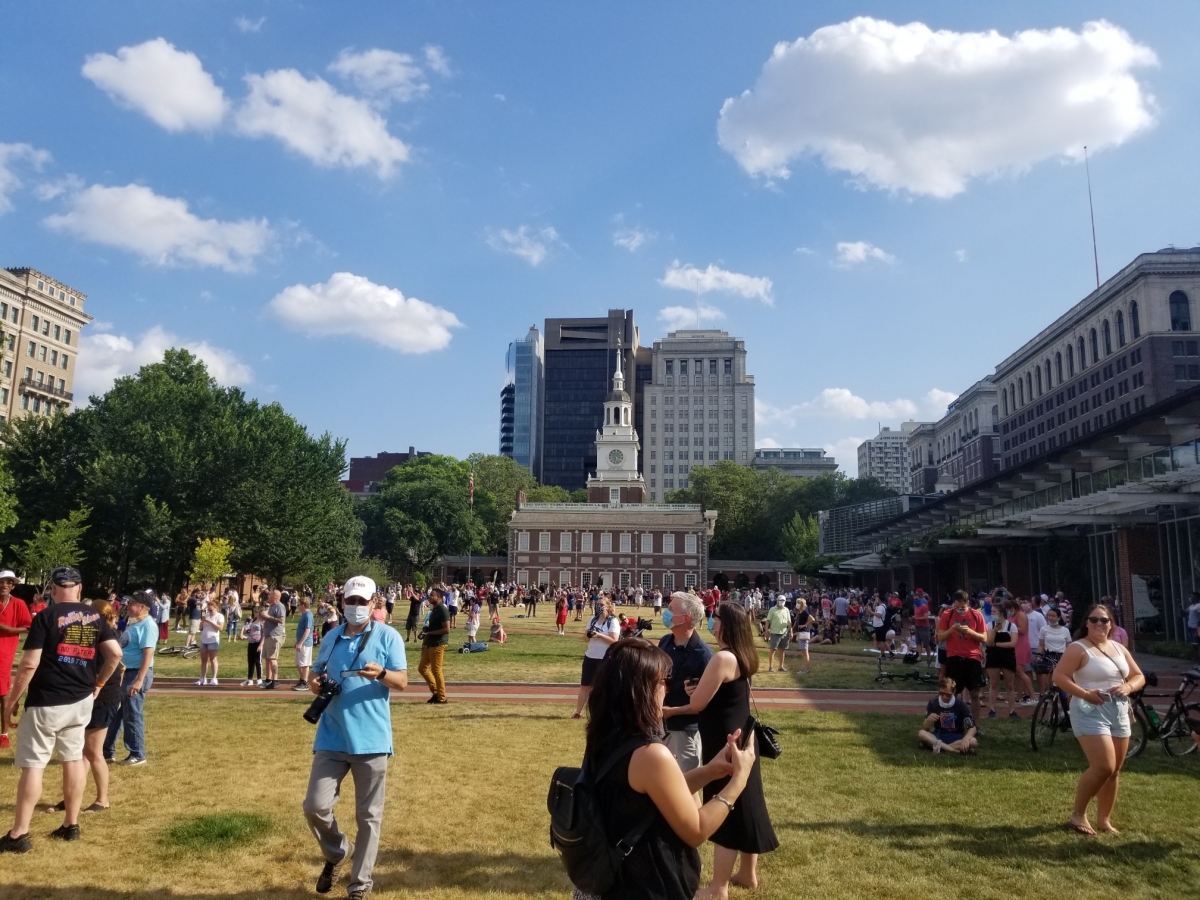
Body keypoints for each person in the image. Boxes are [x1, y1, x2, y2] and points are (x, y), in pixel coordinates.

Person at [581, 637, 757, 900]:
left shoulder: (606, 737)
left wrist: (711, 770)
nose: (667, 688)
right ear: (641, 689)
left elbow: (650, 795)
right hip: (645, 886)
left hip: (612, 881)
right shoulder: (651, 755)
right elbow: (696, 830)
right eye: (665, 681)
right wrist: (739, 781)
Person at [1, 567, 121, 853]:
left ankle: (19, 833)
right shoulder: (95, 616)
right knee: (73, 759)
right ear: (79, 588)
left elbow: (29, 664)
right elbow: (115, 653)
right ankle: (70, 824)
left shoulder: (45, 616)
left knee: (33, 765)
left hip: (46, 700)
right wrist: (99, 683)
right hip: (80, 701)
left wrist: (12, 700)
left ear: (53, 589)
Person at [663, 602, 777, 899]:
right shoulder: (744, 654)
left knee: (723, 805)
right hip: (743, 735)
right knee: (747, 800)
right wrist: (698, 691)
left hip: (723, 739)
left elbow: (697, 705)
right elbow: (720, 693)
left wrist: (668, 711)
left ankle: (718, 887)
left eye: (714, 618)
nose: (711, 622)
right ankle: (747, 873)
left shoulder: (722, 657)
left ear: (724, 624)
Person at [303, 575, 407, 900]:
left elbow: (402, 681)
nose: (357, 607)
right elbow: (314, 675)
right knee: (314, 807)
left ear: (374, 603)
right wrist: (315, 684)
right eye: (352, 601)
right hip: (332, 736)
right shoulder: (332, 637)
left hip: (372, 739)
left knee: (369, 817)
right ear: (342, 603)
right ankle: (337, 851)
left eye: (363, 602)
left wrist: (382, 674)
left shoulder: (389, 637)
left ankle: (359, 886)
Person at [1053, 603, 1146, 836]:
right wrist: (1085, 694)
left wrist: (1128, 686)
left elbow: (1138, 676)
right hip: (1089, 710)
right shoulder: (1078, 648)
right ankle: (1077, 815)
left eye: (1104, 620)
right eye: (1094, 619)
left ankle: (1104, 819)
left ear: (1111, 624)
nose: (1099, 624)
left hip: (1119, 710)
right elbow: (1059, 676)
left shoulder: (1118, 648)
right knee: (1103, 766)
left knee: (1114, 770)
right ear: (1086, 623)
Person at [657, 592, 714, 775]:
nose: (666, 612)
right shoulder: (665, 641)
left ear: (686, 618)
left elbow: (707, 703)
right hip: (659, 726)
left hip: (685, 731)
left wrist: (672, 712)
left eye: (671, 609)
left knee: (687, 784)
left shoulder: (704, 655)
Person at [74, 599, 123, 812]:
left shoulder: (108, 637)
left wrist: (98, 683)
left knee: (93, 752)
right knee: (82, 752)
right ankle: (72, 797)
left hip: (103, 699)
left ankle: (103, 800)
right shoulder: (98, 635)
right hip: (92, 697)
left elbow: (112, 661)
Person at [104, 589, 157, 765]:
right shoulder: (135, 623)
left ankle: (137, 753)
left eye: (132, 603)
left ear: (142, 607)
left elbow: (148, 654)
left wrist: (139, 680)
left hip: (136, 673)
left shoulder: (148, 625)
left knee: (132, 714)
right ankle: (106, 751)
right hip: (127, 671)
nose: (128, 605)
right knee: (119, 714)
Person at [937, 590, 988, 728]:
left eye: (962, 607)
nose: (960, 609)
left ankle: (977, 725)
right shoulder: (948, 615)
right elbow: (940, 636)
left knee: (975, 692)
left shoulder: (976, 614)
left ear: (967, 603)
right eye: (957, 606)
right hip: (954, 656)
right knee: (952, 692)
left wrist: (970, 632)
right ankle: (951, 723)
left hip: (972, 657)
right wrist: (952, 630)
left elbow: (984, 638)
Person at [572, 596, 620, 719]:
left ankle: (605, 713)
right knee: (585, 686)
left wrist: (599, 635)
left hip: (605, 658)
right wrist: (588, 635)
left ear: (608, 607)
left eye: (601, 604)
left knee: (604, 687)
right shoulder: (592, 620)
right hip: (590, 656)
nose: (598, 606)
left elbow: (615, 641)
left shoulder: (612, 621)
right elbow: (584, 639)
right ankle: (578, 712)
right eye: (597, 604)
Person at [0, 570, 33, 750]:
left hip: (5, 653)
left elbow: (28, 626)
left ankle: (4, 733)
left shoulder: (18, 603)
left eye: (9, 582)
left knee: (3, 693)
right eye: (2, 581)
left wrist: (5, 629)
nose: (5, 585)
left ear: (13, 586)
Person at [918, 677, 978, 754]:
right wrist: (928, 721)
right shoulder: (933, 703)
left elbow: (972, 728)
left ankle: (936, 747)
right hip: (938, 735)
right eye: (941, 693)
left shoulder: (961, 705)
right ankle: (953, 750)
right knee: (921, 733)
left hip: (956, 736)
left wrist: (966, 738)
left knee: (973, 741)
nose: (944, 697)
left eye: (948, 695)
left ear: (954, 692)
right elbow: (926, 728)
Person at [985, 603, 1020, 719]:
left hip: (1007, 656)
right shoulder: (990, 625)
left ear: (1001, 613)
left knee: (1009, 685)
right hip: (993, 656)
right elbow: (988, 643)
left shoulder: (1012, 626)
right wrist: (994, 631)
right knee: (993, 684)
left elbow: (1012, 644)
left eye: (994, 612)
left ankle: (1012, 710)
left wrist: (996, 644)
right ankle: (992, 709)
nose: (992, 614)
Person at [418, 587, 450, 704]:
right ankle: (435, 692)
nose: (429, 597)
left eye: (432, 595)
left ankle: (442, 698)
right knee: (422, 668)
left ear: (439, 597)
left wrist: (430, 633)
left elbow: (446, 629)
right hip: (430, 642)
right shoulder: (434, 610)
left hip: (438, 643)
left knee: (436, 670)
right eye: (429, 595)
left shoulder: (443, 610)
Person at [260, 589, 287, 690]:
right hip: (268, 635)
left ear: (275, 597)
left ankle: (275, 681)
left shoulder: (280, 606)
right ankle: (268, 679)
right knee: (267, 658)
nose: (268, 595)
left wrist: (268, 616)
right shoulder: (271, 606)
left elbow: (281, 620)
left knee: (272, 658)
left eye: (270, 594)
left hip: (275, 636)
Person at [197, 596, 224, 686]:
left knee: (213, 659)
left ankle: (214, 678)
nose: (209, 612)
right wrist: (201, 623)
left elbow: (220, 628)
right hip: (204, 639)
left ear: (216, 608)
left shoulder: (220, 616)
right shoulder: (206, 616)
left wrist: (210, 622)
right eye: (208, 610)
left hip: (213, 639)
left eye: (211, 610)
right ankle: (202, 678)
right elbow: (201, 628)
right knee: (203, 660)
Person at [764, 595, 791, 674]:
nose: (782, 602)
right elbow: (768, 620)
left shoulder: (786, 610)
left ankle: (781, 666)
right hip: (775, 632)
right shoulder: (772, 609)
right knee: (773, 650)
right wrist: (766, 630)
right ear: (777, 601)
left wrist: (791, 631)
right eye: (780, 600)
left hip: (784, 632)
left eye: (783, 601)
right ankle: (771, 667)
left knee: (782, 650)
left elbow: (789, 622)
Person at [294, 596, 315, 691]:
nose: (297, 606)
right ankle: (302, 679)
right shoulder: (304, 615)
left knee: (304, 663)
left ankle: (305, 682)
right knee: (298, 663)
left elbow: (307, 630)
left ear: (303, 605)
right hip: (301, 642)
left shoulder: (308, 615)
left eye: (298, 604)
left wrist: (301, 643)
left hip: (305, 643)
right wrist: (297, 642)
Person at [789, 599, 813, 675]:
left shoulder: (805, 612)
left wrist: (804, 625)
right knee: (804, 652)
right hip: (801, 632)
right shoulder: (799, 612)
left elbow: (812, 619)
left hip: (804, 632)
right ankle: (805, 669)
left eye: (798, 603)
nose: (797, 604)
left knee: (805, 652)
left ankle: (806, 670)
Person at [242, 610, 264, 686]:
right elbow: (249, 632)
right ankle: (250, 678)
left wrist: (261, 645)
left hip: (258, 642)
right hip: (251, 642)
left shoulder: (262, 622)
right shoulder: (252, 621)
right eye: (254, 612)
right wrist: (246, 631)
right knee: (250, 661)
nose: (254, 613)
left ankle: (259, 678)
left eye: (256, 612)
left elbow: (264, 634)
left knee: (258, 661)